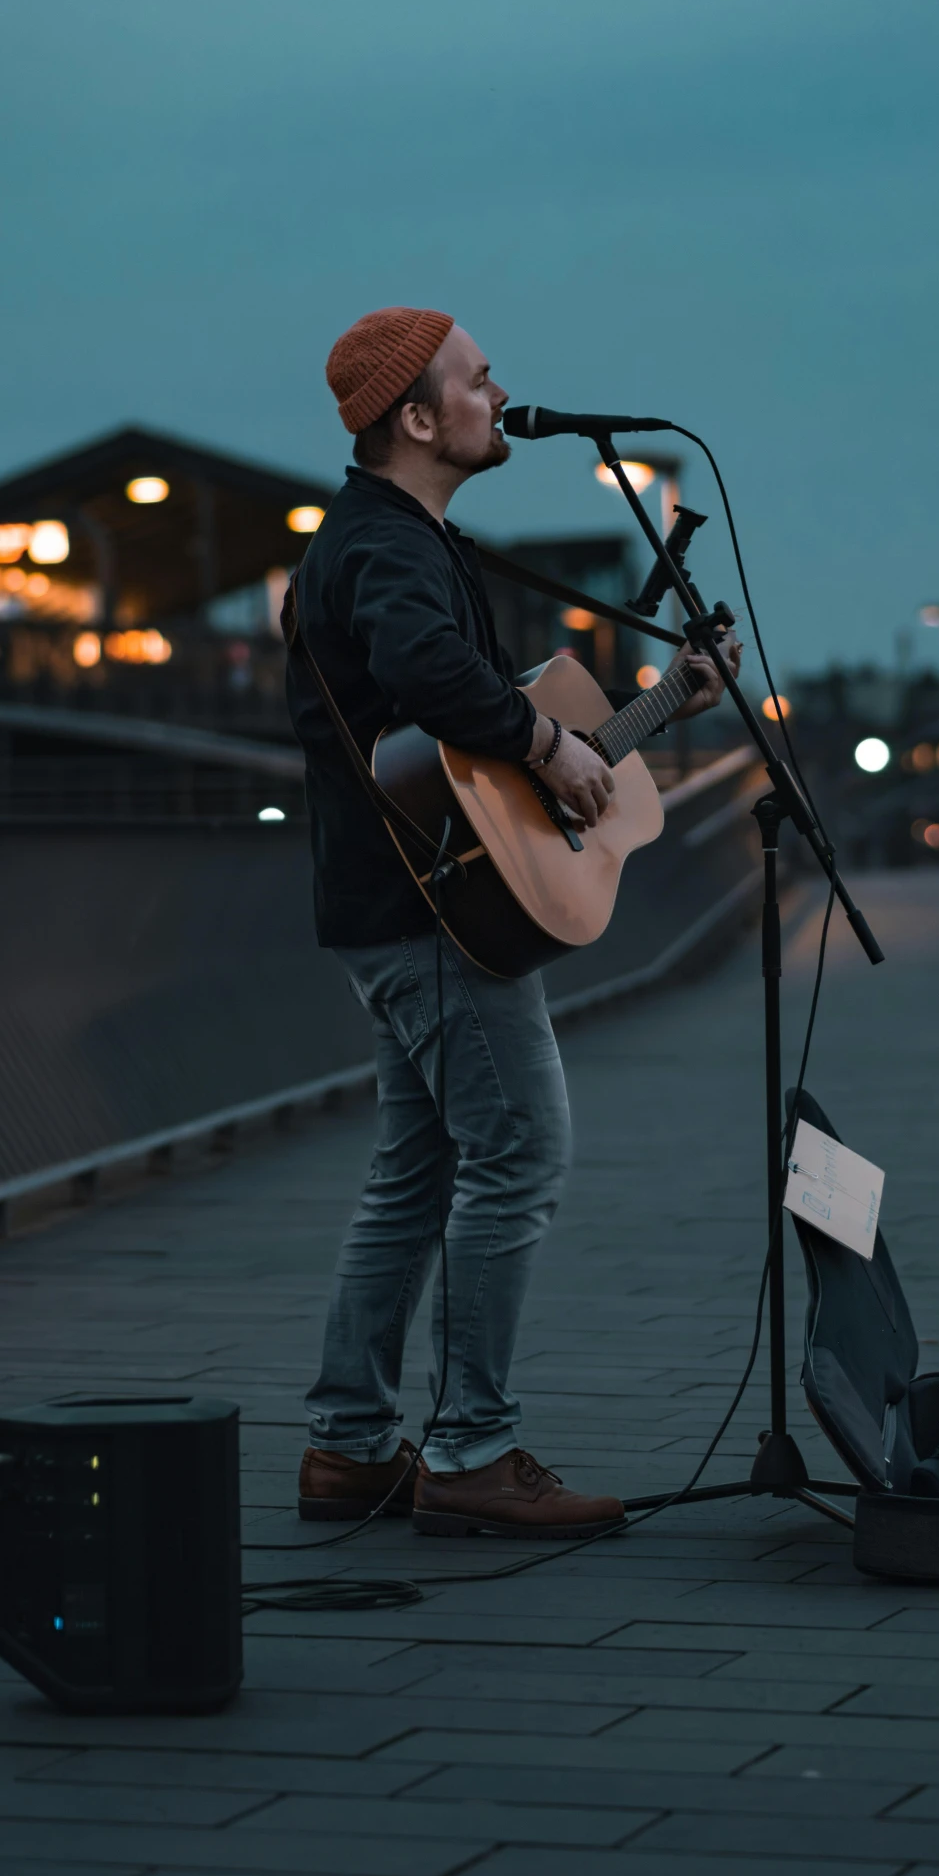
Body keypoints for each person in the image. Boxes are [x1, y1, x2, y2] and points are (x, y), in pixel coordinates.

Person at [285, 308, 740, 1538]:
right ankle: (472, 1448)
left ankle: (347, 1442)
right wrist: (543, 738)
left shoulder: (402, 539)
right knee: (518, 1154)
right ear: (416, 419)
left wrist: (657, 712)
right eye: (477, 382)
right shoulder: (384, 548)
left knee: (417, 1169)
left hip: (406, 903)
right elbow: (443, 686)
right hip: (432, 915)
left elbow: (510, 761)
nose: (501, 395)